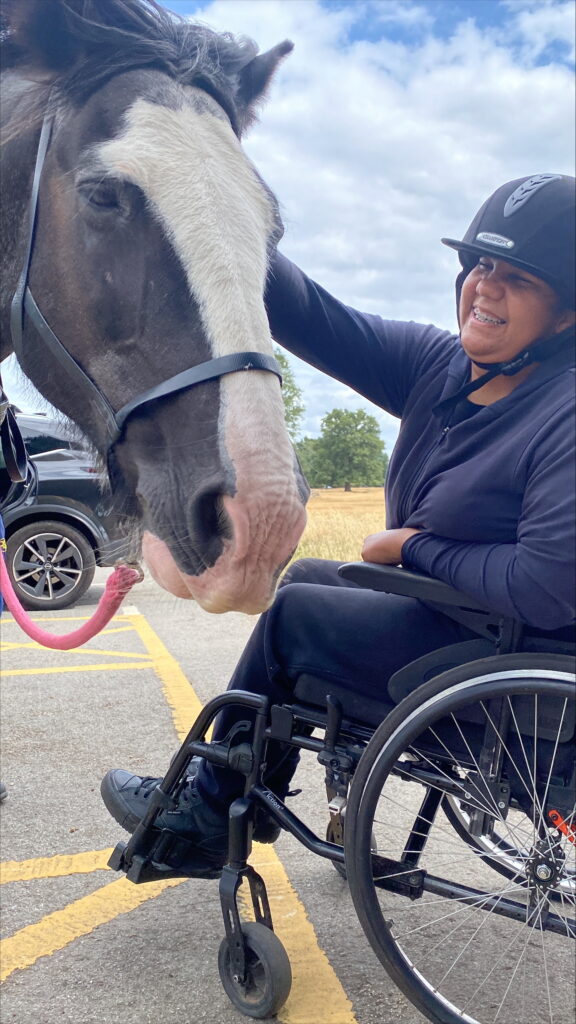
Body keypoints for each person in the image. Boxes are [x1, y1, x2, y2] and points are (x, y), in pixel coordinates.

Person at [101, 173, 576, 880]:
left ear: (566, 313)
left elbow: (546, 585)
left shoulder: (564, 412)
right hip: (467, 624)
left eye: (519, 278)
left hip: (519, 665)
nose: (486, 287)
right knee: (310, 578)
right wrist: (202, 190)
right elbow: (310, 313)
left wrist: (415, 546)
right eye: (480, 264)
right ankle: (243, 794)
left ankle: (206, 816)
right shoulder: (441, 368)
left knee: (293, 617)